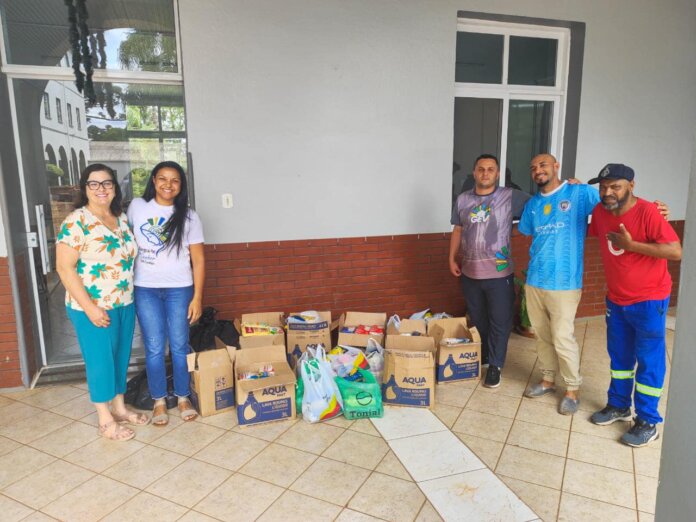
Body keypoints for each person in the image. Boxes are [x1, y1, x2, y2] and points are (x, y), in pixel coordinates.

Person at [587, 164, 681, 447]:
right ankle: (618, 405)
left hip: (649, 300)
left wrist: (632, 245)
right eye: (603, 187)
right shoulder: (601, 213)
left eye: (615, 186)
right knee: (620, 357)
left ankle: (648, 420)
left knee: (649, 360)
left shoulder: (649, 212)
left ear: (631, 185)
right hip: (616, 299)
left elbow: (675, 251)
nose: (608, 192)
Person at [56, 163, 149, 441]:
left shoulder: (120, 218)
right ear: (84, 188)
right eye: (94, 184)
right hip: (91, 306)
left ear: (115, 188)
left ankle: (119, 407)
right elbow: (65, 268)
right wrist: (90, 308)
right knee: (100, 361)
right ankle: (105, 418)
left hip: (123, 301)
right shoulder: (76, 221)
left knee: (120, 357)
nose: (101, 189)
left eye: (107, 183)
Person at [518, 154, 600, 415]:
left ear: (556, 167)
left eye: (543, 165)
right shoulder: (532, 205)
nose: (537, 170)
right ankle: (548, 379)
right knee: (542, 335)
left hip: (564, 282)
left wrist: (654, 210)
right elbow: (529, 233)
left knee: (562, 336)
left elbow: (614, 204)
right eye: (533, 168)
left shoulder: (580, 193)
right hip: (535, 280)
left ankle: (573, 390)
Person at [128, 161, 205, 426]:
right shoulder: (137, 207)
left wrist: (197, 297)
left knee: (180, 344)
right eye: (163, 179)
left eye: (175, 180)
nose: (168, 185)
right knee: (154, 346)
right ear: (153, 180)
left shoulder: (189, 216)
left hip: (179, 288)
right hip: (145, 288)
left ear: (181, 186)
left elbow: (199, 260)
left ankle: (183, 396)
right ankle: (159, 400)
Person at [449, 154, 531, 387]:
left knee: (500, 321)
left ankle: (495, 366)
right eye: (481, 169)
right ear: (474, 173)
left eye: (491, 169)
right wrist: (451, 258)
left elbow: (542, 202)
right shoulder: (463, 199)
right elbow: (457, 230)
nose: (485, 173)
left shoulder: (509, 197)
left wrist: (568, 187)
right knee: (478, 318)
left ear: (497, 174)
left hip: (499, 275)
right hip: (470, 273)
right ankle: (485, 356)